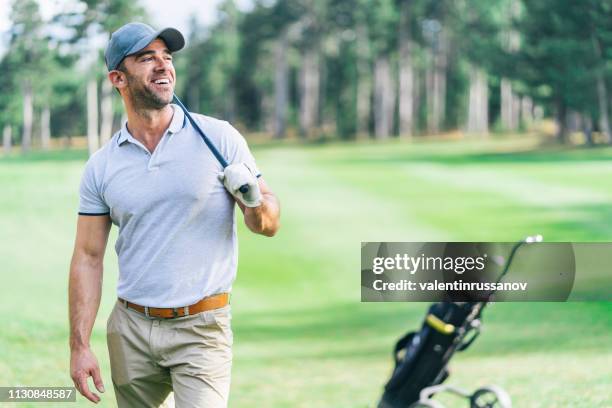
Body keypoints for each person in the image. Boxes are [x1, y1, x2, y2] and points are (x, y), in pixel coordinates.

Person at [68, 22, 280, 407]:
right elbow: (88, 257)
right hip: (130, 330)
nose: (163, 66)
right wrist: (79, 346)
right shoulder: (101, 166)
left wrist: (252, 198)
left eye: (167, 57)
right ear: (118, 78)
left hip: (202, 330)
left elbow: (268, 224)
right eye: (147, 59)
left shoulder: (219, 138)